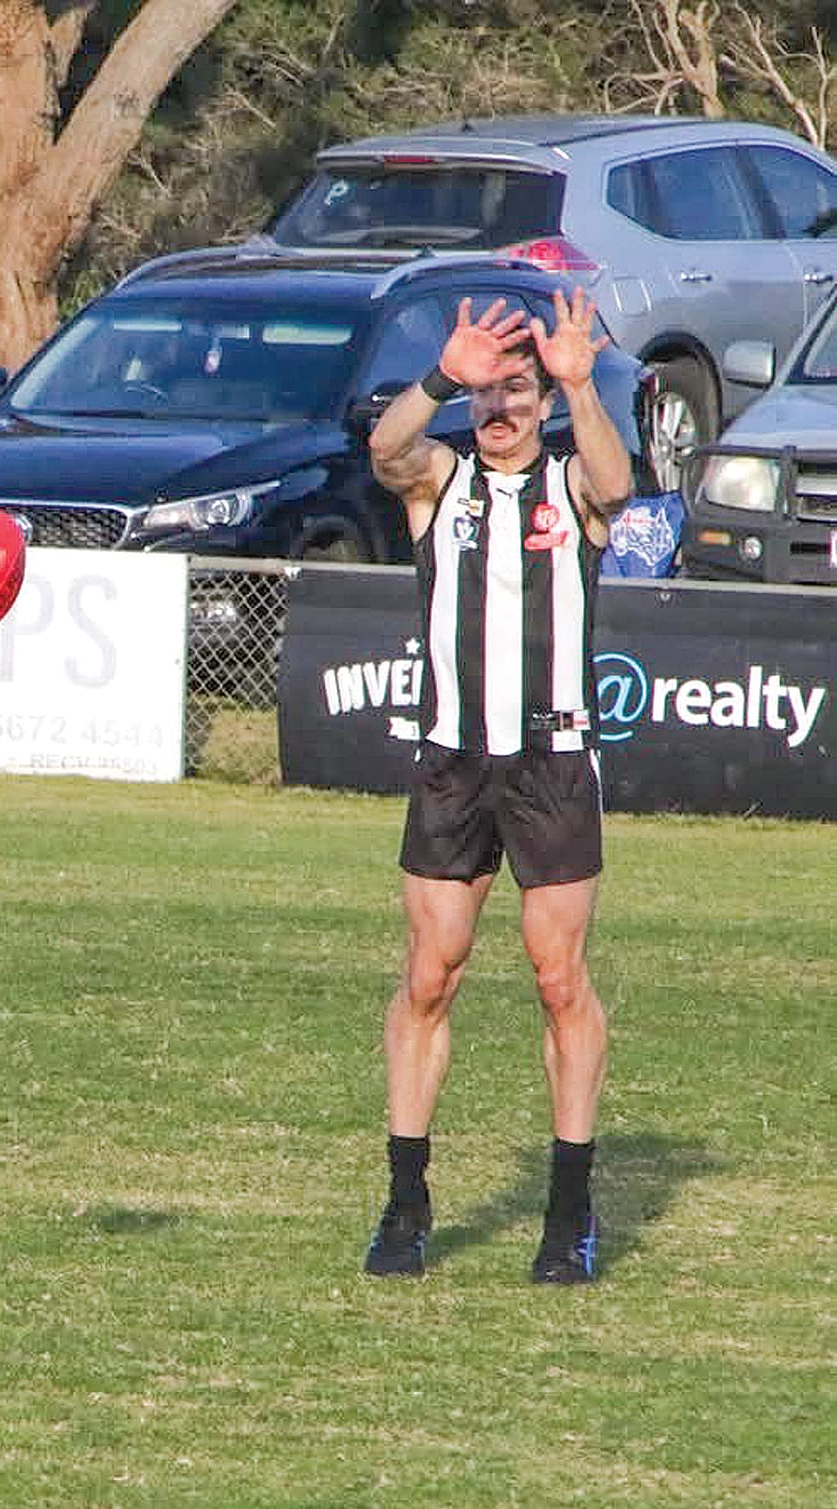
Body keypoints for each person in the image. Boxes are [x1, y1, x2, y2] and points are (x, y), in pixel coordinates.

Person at [362, 288, 631, 1286]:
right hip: (450, 761)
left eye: (516, 391)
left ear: (544, 399)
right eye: (488, 393)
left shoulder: (568, 485)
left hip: (551, 762)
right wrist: (439, 375)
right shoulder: (442, 481)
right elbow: (386, 452)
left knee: (556, 979)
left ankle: (567, 1213)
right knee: (430, 970)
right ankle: (404, 1200)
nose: (498, 409)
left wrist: (577, 385)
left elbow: (617, 485)